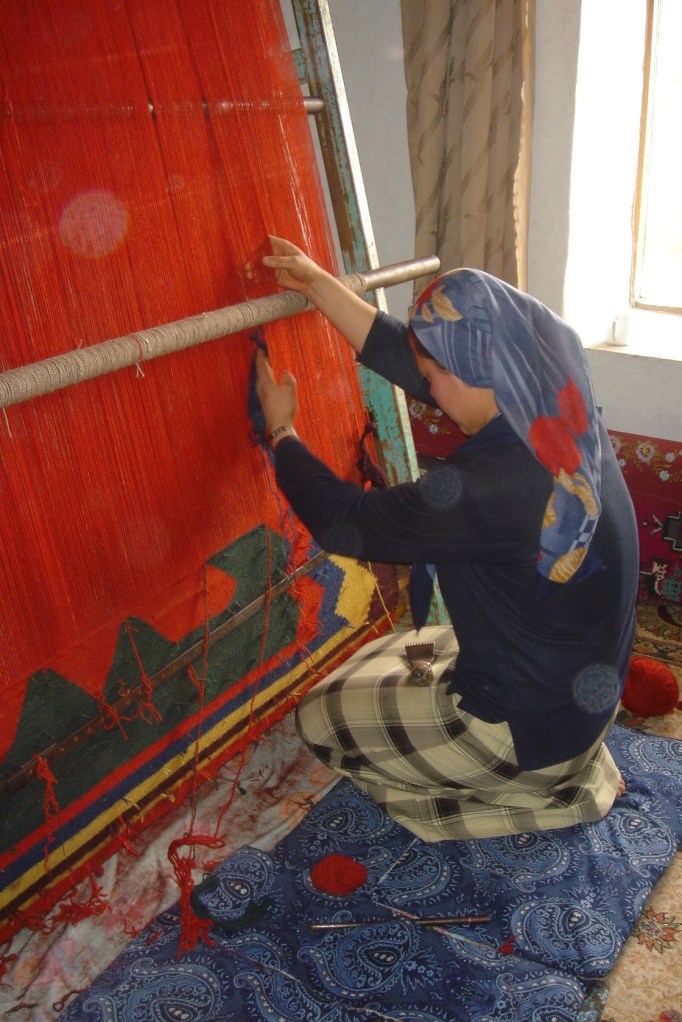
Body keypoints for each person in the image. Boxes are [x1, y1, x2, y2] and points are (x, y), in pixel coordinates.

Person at [254, 235, 639, 842]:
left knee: (320, 717)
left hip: (524, 726)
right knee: (379, 664)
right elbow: (420, 358)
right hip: (584, 693)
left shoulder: (485, 489)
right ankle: (571, 768)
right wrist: (316, 283)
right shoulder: (558, 390)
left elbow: (342, 518)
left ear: (476, 369)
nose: (428, 390)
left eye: (435, 378)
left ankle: (546, 798)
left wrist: (281, 430)